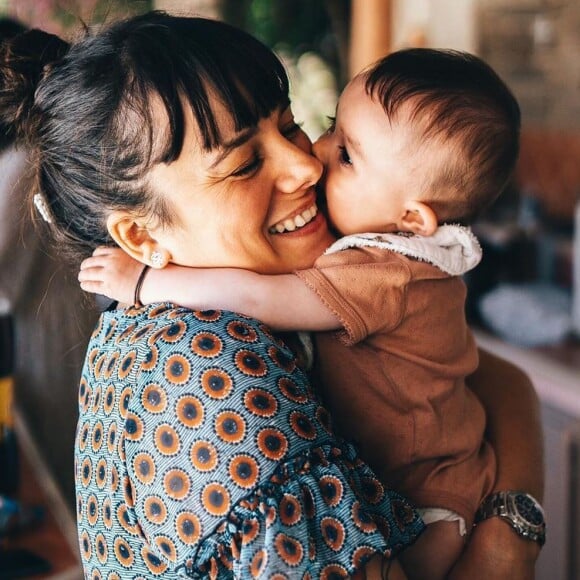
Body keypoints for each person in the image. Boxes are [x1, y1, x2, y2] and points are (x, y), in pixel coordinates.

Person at [0, 12, 544, 580]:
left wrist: (511, 532)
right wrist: (505, 550)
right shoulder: (210, 370)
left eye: (289, 127)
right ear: (140, 236)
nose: (308, 164)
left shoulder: (280, 296)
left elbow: (497, 378)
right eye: (245, 163)